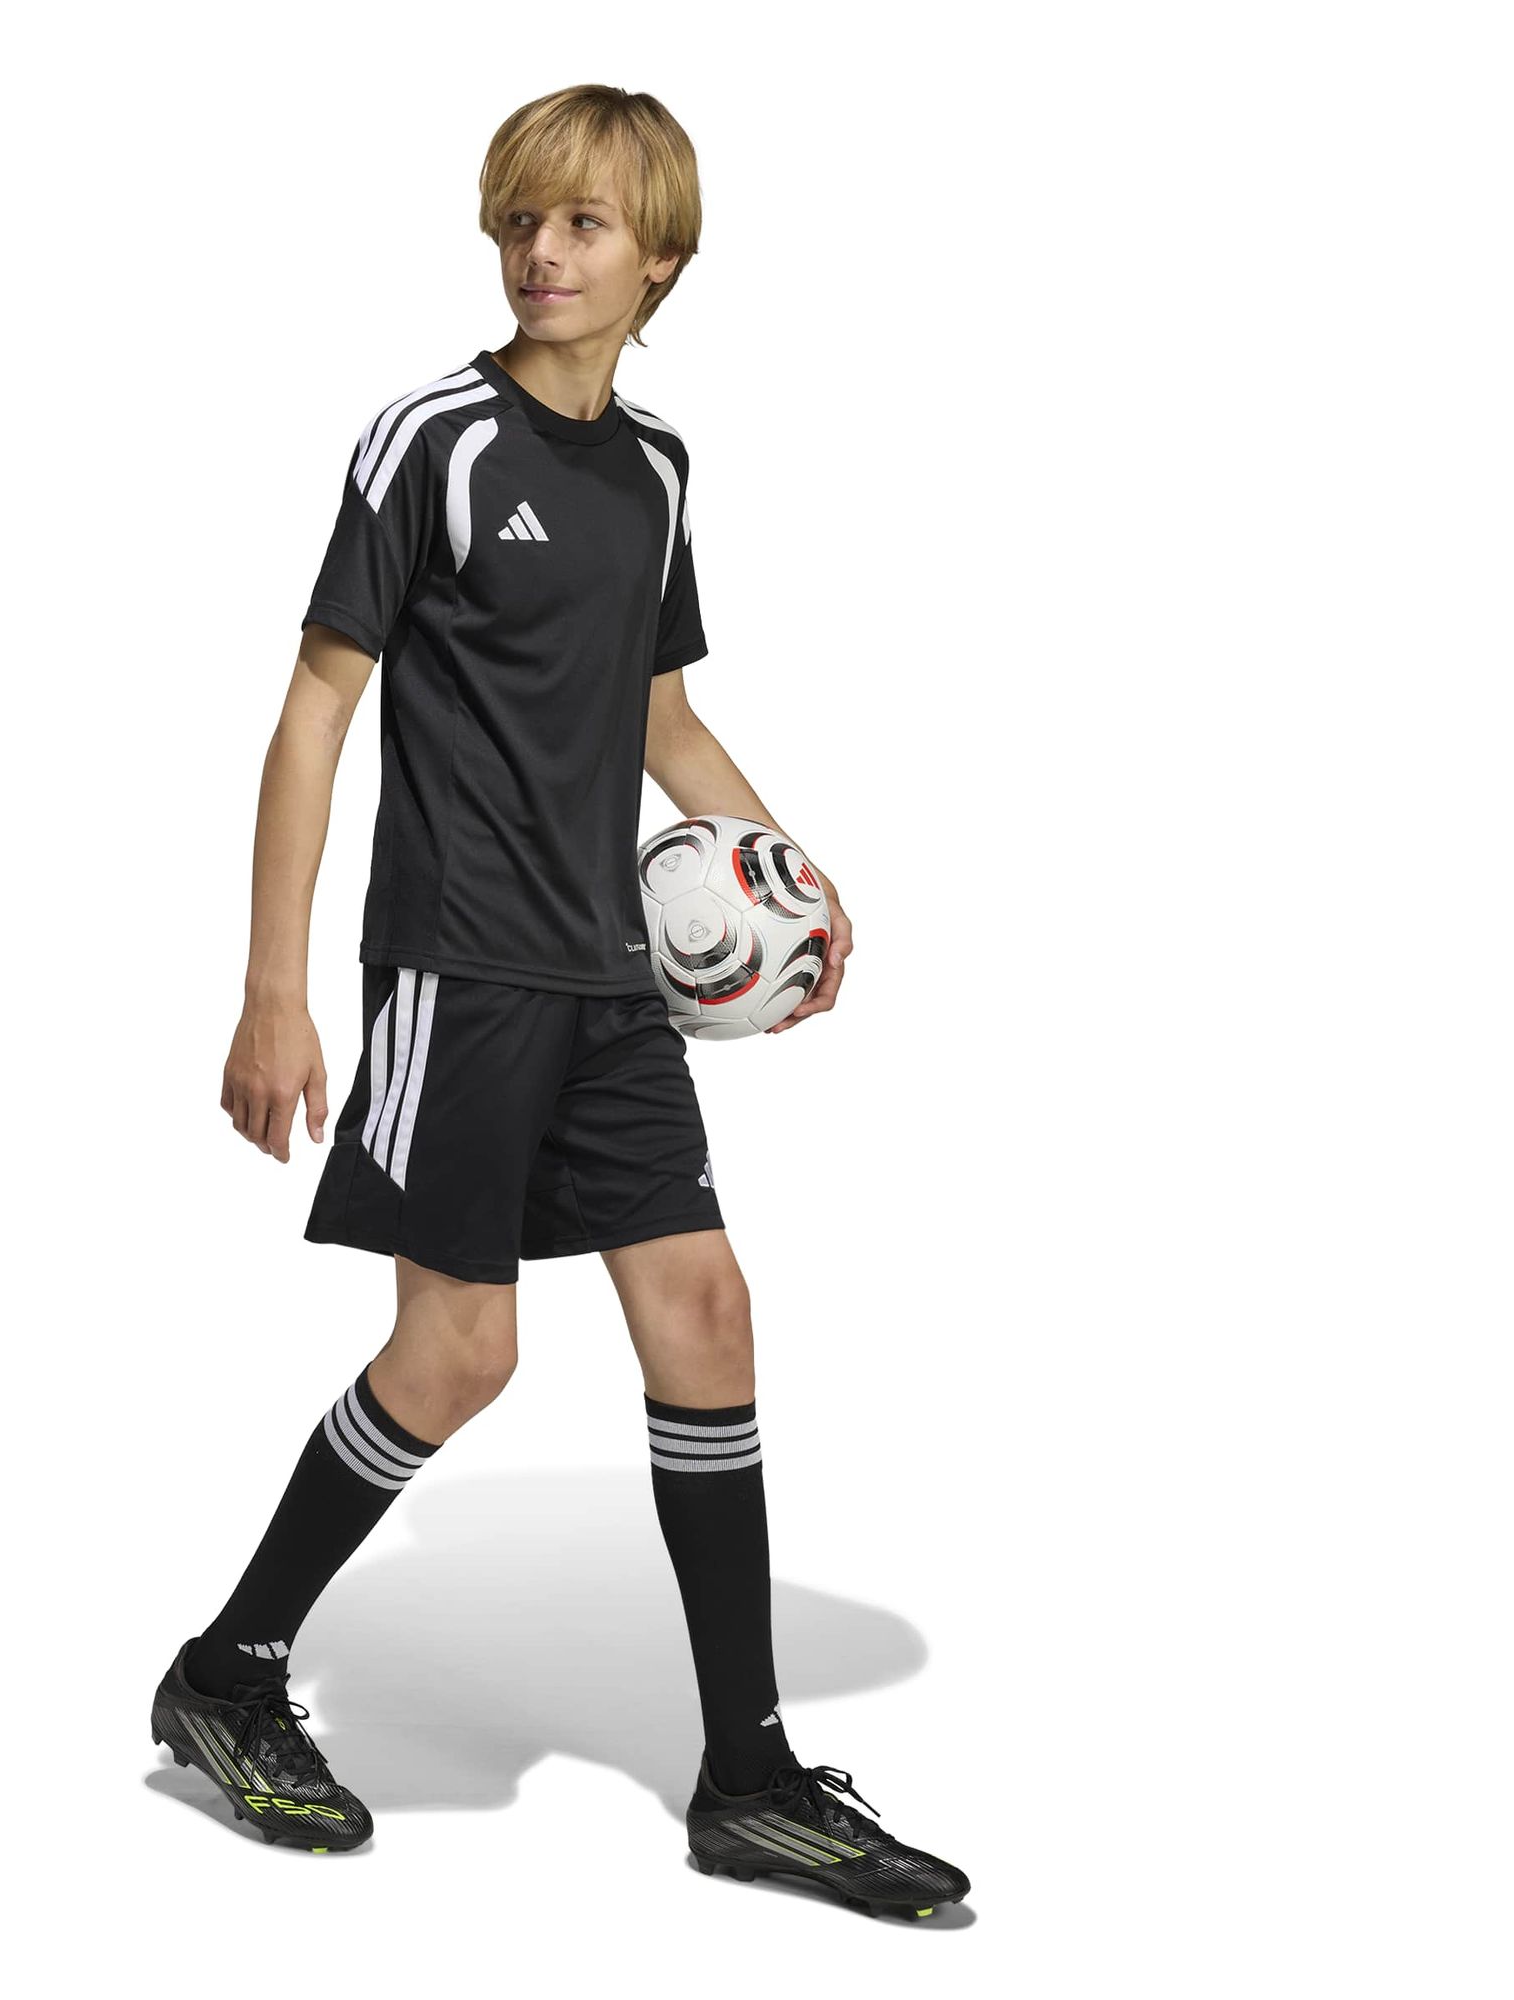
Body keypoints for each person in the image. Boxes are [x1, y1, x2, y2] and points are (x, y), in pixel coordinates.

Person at [151, 82, 970, 1917]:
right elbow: (317, 706)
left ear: (659, 258)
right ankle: (228, 1671)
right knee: (461, 1355)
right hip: (460, 971)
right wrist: (275, 992)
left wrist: (793, 879)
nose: (541, 251)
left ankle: (749, 1778)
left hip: (611, 980)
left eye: (584, 224)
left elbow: (660, 714)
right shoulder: (430, 440)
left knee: (708, 1315)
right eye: (521, 219)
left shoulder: (657, 471)